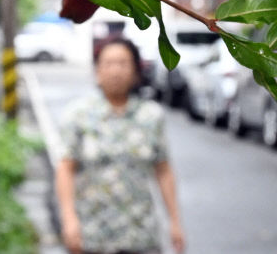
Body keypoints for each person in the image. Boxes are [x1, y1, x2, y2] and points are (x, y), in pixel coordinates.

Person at [55, 36, 185, 254]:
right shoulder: (79, 115)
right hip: (91, 235)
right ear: (97, 70)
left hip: (141, 235)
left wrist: (175, 221)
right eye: (108, 63)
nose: (116, 71)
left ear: (135, 71)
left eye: (123, 63)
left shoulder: (151, 116)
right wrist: (69, 218)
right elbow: (66, 168)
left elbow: (163, 169)